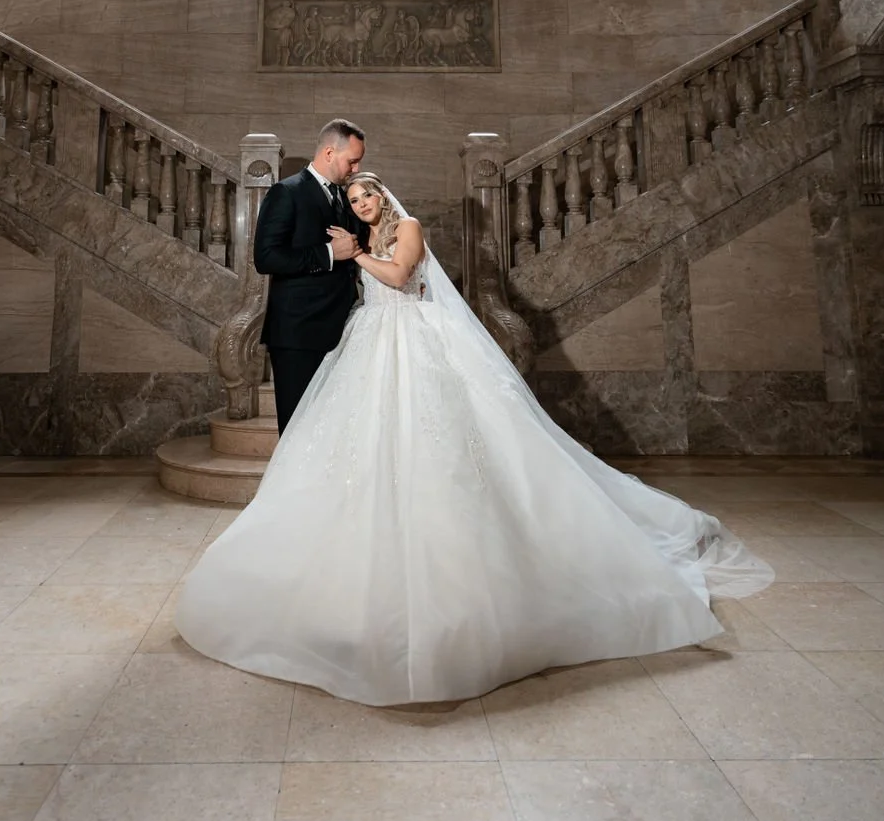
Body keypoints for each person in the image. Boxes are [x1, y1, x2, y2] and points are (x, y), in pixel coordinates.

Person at [176, 174, 774, 707]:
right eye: (354, 199)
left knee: (442, 447)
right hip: (371, 346)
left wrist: (353, 254)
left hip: (413, 343)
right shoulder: (364, 233)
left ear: (383, 195)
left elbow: (401, 275)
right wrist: (345, 256)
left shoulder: (406, 228)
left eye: (367, 196)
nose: (360, 204)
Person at [252, 118, 368, 435]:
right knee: (298, 433)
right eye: (352, 161)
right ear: (330, 152)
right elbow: (266, 257)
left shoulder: (348, 198)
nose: (356, 170)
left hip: (344, 331)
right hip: (298, 335)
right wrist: (329, 253)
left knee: (333, 435)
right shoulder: (286, 192)